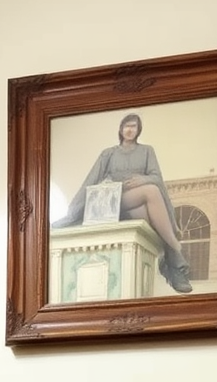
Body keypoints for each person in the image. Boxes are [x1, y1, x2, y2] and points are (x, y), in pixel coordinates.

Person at [52, 112, 193, 294]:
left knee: (147, 211)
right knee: (151, 191)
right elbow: (91, 180)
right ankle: (175, 250)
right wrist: (73, 212)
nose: (129, 129)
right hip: (116, 200)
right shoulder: (109, 153)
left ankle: (172, 264)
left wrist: (142, 179)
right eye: (126, 126)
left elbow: (156, 177)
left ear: (138, 130)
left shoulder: (146, 151)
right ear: (120, 129)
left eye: (133, 126)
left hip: (137, 203)